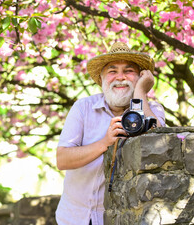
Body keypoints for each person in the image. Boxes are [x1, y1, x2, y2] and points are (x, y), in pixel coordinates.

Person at [55, 42, 166, 225]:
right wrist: (105, 142)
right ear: (102, 78)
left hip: (125, 218)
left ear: (139, 77)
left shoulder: (152, 109)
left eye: (129, 71)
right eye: (112, 71)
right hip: (75, 217)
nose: (120, 77)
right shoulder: (83, 108)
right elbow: (62, 159)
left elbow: (161, 142)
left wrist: (140, 92)